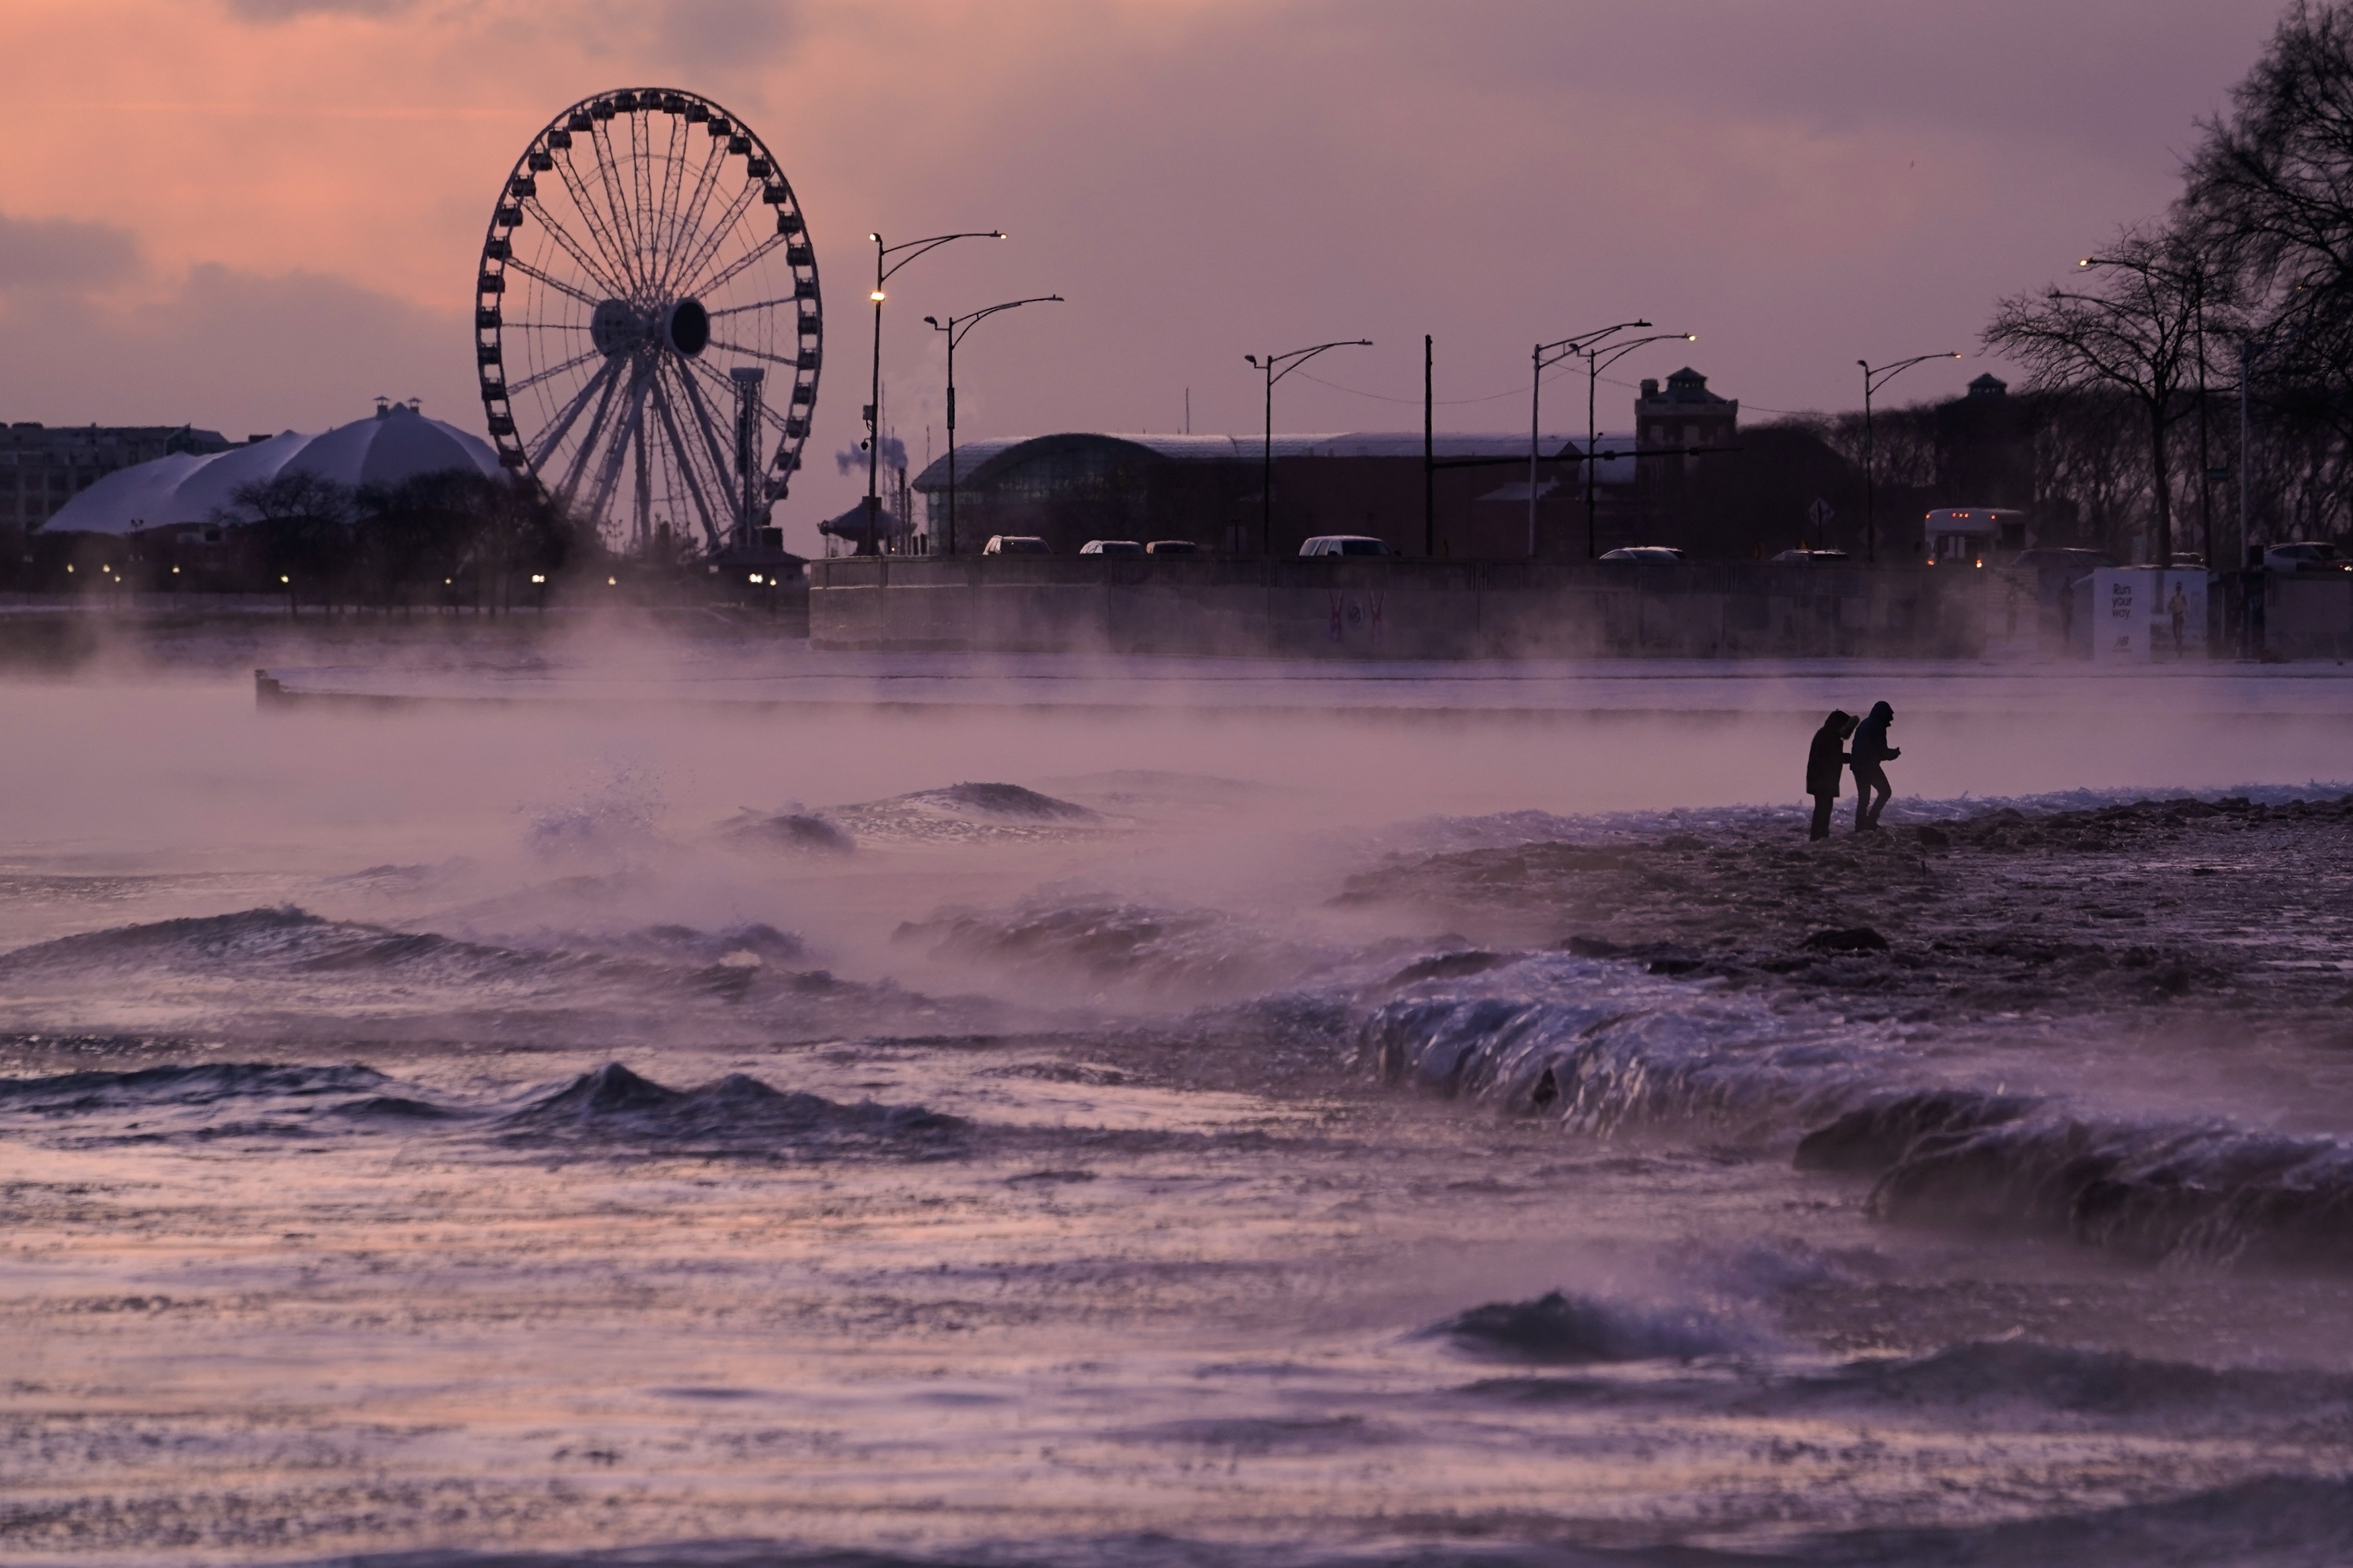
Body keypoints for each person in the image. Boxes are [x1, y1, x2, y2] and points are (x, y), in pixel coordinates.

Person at [1805, 710, 1856, 841]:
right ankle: (1819, 837)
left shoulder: (1825, 734)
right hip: (1823, 781)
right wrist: (1856, 757)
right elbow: (1835, 758)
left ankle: (1819, 836)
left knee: (1823, 809)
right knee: (1824, 809)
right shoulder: (1830, 738)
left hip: (1818, 780)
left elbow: (1833, 758)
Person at [1849, 700, 1900, 832]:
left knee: (1863, 798)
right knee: (1885, 791)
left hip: (1857, 766)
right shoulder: (1878, 727)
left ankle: (1860, 826)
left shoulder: (1865, 724)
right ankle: (1871, 820)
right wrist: (1894, 754)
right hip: (1869, 766)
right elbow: (1882, 752)